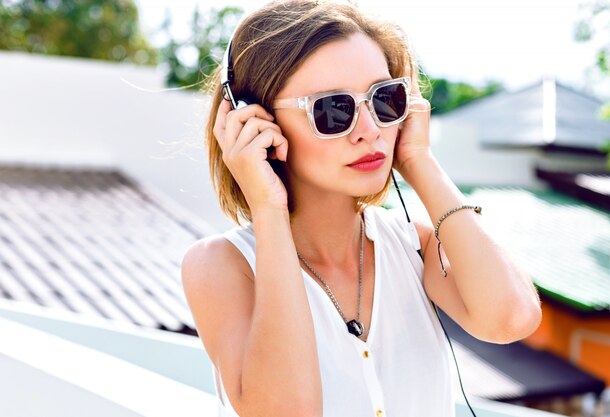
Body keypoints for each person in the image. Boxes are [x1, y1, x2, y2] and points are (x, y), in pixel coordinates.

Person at [181, 1, 542, 416]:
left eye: (384, 99)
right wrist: (267, 208)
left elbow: (511, 319)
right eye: (334, 108)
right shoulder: (221, 266)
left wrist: (420, 162)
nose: (370, 130)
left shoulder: (415, 247)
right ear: (255, 120)